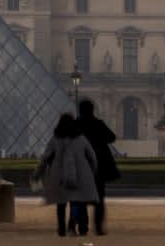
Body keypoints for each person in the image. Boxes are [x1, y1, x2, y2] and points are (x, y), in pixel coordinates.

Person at [37, 114, 101, 237]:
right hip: (80, 175)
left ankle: (61, 229)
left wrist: (38, 173)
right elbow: (92, 157)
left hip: (59, 176)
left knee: (61, 204)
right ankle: (76, 226)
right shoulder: (81, 138)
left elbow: (45, 158)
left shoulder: (55, 139)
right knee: (77, 202)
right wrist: (92, 172)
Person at [70, 99, 120, 235]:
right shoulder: (98, 124)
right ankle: (98, 227)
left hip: (80, 167)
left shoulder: (75, 125)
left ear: (80, 110)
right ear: (92, 110)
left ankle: (83, 227)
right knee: (99, 199)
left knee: (80, 198)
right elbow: (111, 137)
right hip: (97, 167)